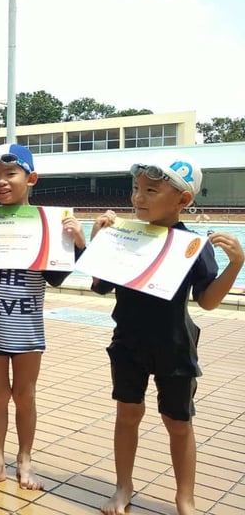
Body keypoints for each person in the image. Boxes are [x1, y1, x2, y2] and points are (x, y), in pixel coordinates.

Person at [90, 157, 243, 515]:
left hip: (175, 344)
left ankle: (184, 498)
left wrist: (235, 265)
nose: (138, 199)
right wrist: (99, 240)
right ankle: (123, 486)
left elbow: (207, 300)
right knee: (127, 414)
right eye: (136, 189)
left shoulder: (193, 245)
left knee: (179, 422)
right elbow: (98, 286)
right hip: (127, 341)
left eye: (151, 191)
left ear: (183, 201)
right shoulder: (125, 237)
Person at [0, 143, 86, 491]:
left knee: (25, 395)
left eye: (9, 174)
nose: (1, 182)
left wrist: (78, 243)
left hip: (28, 328)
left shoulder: (49, 224)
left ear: (30, 178)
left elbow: (57, 277)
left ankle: (25, 460)